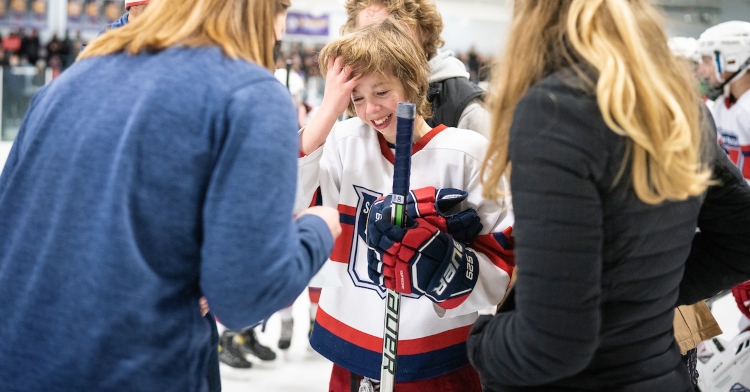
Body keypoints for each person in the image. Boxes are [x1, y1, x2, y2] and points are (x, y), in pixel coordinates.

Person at [0, 1, 340, 391]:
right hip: (138, 369)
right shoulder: (250, 94)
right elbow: (244, 298)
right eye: (281, 10)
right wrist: (316, 230)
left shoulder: (68, 82)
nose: (280, 30)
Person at [467, 1, 750, 391]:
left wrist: (483, 341)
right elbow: (741, 240)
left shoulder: (554, 111)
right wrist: (642, 299)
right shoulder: (674, 104)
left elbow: (552, 344)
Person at [298, 18, 514, 391]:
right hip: (351, 351)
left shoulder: (468, 154)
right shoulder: (342, 141)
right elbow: (293, 202)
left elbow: (502, 266)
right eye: (356, 97)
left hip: (438, 359)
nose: (370, 110)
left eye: (381, 92)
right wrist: (327, 113)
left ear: (413, 83)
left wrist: (453, 268)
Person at [341, 0, 490, 137]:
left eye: (393, 34)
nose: (380, 47)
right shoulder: (360, 98)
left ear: (423, 32)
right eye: (367, 37)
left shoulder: (466, 109)